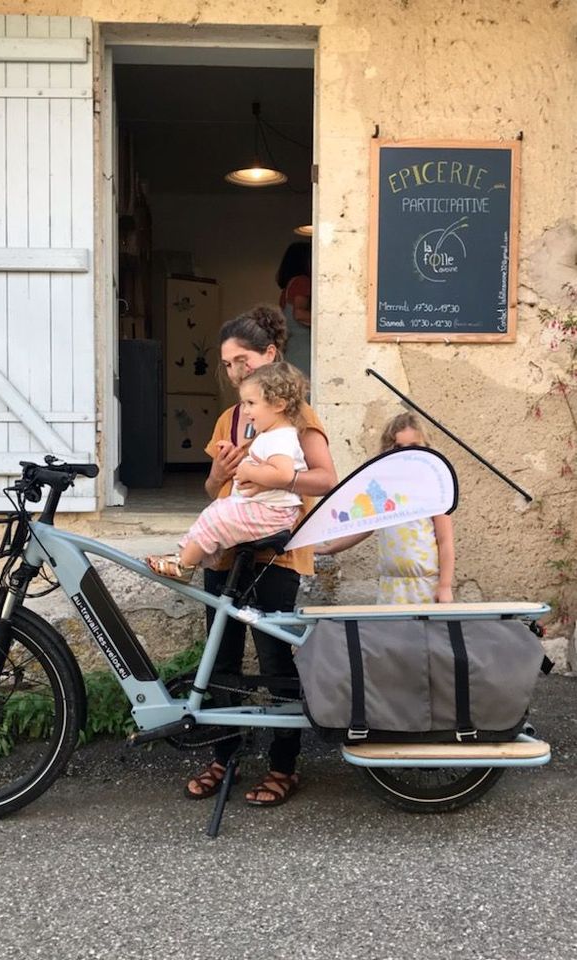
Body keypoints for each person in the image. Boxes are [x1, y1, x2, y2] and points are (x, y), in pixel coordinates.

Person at [171, 304, 338, 808]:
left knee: (272, 659)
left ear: (269, 355)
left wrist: (276, 477)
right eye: (225, 364)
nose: (233, 372)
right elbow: (210, 489)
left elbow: (326, 480)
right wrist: (220, 474)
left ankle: (284, 765)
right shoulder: (229, 416)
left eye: (241, 361)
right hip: (225, 554)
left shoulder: (296, 416)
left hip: (274, 556)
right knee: (220, 659)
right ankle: (224, 756)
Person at [146, 363, 308, 579]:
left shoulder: (280, 437)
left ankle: (184, 565)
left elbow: (284, 474)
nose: (246, 411)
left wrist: (247, 470)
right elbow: (267, 466)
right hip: (267, 508)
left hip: (272, 512)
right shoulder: (272, 435)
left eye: (251, 403)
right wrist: (239, 458)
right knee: (216, 513)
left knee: (216, 517)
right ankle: (188, 557)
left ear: (278, 404)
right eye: (243, 403)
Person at [321, 412, 455, 604]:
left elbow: (445, 540)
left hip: (425, 586)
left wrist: (445, 586)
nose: (406, 453)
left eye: (415, 447)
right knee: (389, 633)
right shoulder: (385, 492)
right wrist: (331, 547)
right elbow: (366, 527)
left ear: (427, 448)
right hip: (391, 587)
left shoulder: (433, 489)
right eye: (398, 447)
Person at [276, 241, 311, 380]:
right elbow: (299, 314)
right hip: (304, 350)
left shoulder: (288, 287)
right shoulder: (302, 282)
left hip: (291, 350)